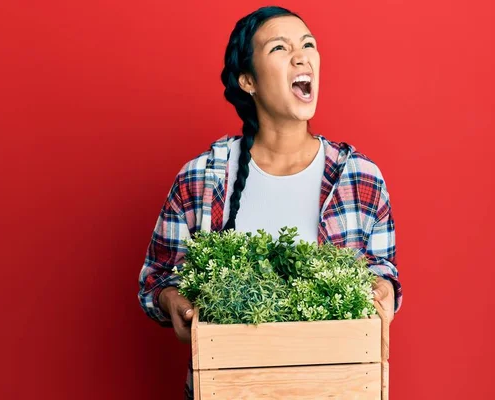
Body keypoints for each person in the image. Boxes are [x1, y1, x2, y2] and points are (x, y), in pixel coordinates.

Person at [137, 6, 402, 399]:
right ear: (249, 81)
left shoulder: (358, 177)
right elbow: (156, 279)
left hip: (333, 388)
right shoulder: (203, 178)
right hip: (229, 388)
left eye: (308, 44)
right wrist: (172, 299)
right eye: (280, 47)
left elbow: (382, 272)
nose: (301, 55)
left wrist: (383, 290)